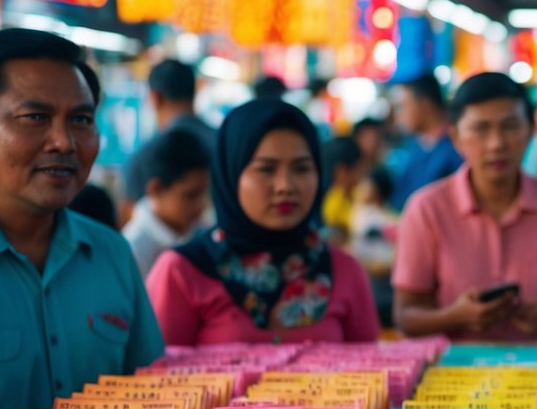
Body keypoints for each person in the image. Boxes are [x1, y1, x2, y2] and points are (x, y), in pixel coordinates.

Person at [0, 28, 163, 409]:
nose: (64, 142)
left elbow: (151, 399)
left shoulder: (112, 254)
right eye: (35, 117)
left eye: (81, 120)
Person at [146, 99, 380, 345]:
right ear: (232, 174)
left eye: (301, 169)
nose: (286, 186)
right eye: (266, 169)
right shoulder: (182, 273)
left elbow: (373, 375)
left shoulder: (344, 270)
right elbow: (156, 374)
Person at [393, 72, 537, 340]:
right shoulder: (426, 210)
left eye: (510, 126)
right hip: (453, 376)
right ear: (456, 137)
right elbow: (406, 316)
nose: (496, 143)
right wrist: (456, 316)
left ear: (531, 131)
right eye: (480, 129)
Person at [121, 59, 216, 220]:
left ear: (155, 97)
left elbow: (128, 219)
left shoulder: (144, 156)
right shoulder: (225, 141)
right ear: (195, 91)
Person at [121, 128, 211, 276]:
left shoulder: (199, 232)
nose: (201, 205)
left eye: (203, 193)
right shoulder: (133, 252)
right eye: (191, 196)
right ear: (156, 189)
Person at [390, 73, 464, 210]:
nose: (399, 115)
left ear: (425, 105)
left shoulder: (457, 148)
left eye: (402, 107)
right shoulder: (414, 146)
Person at [320, 136, 367, 246]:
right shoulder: (334, 204)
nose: (362, 174)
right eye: (358, 169)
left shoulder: (349, 196)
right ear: (342, 171)